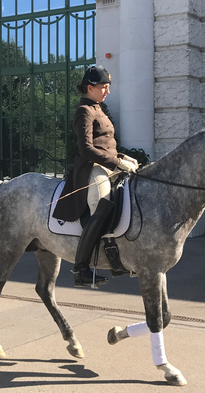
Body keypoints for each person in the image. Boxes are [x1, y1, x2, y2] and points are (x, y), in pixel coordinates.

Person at [52, 65, 139, 287]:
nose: (107, 91)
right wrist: (117, 162)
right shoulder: (85, 111)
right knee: (102, 204)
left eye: (108, 87)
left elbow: (106, 145)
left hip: (109, 164)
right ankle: (81, 268)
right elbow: (87, 149)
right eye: (104, 87)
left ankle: (118, 257)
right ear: (90, 87)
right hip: (93, 168)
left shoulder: (99, 109)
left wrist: (123, 157)